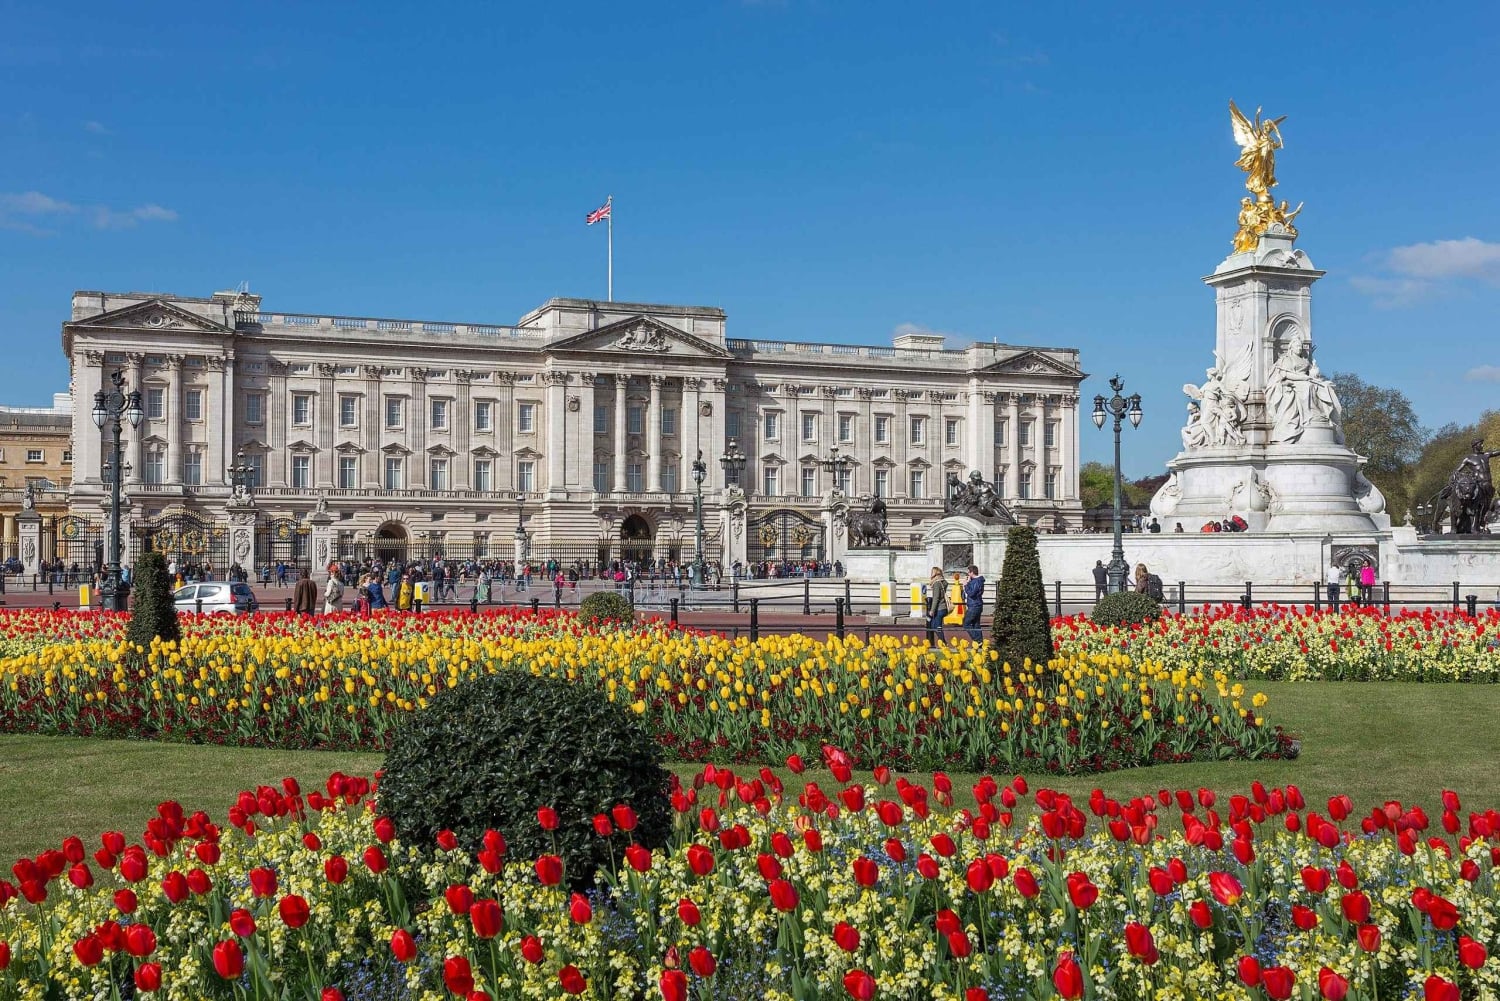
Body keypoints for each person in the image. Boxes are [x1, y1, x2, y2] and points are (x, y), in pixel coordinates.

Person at [923, 566, 949, 644]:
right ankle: (942, 641)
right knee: (936, 625)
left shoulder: (937, 583)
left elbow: (936, 597)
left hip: (939, 608)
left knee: (936, 626)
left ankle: (944, 642)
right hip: (943, 607)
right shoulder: (943, 581)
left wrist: (932, 610)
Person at [961, 564, 986, 643]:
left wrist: (966, 585)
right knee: (976, 624)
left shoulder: (977, 582)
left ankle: (977, 640)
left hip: (974, 605)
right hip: (976, 605)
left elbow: (972, 593)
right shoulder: (976, 581)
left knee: (966, 624)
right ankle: (980, 642)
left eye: (969, 573)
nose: (968, 574)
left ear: (972, 572)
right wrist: (968, 582)